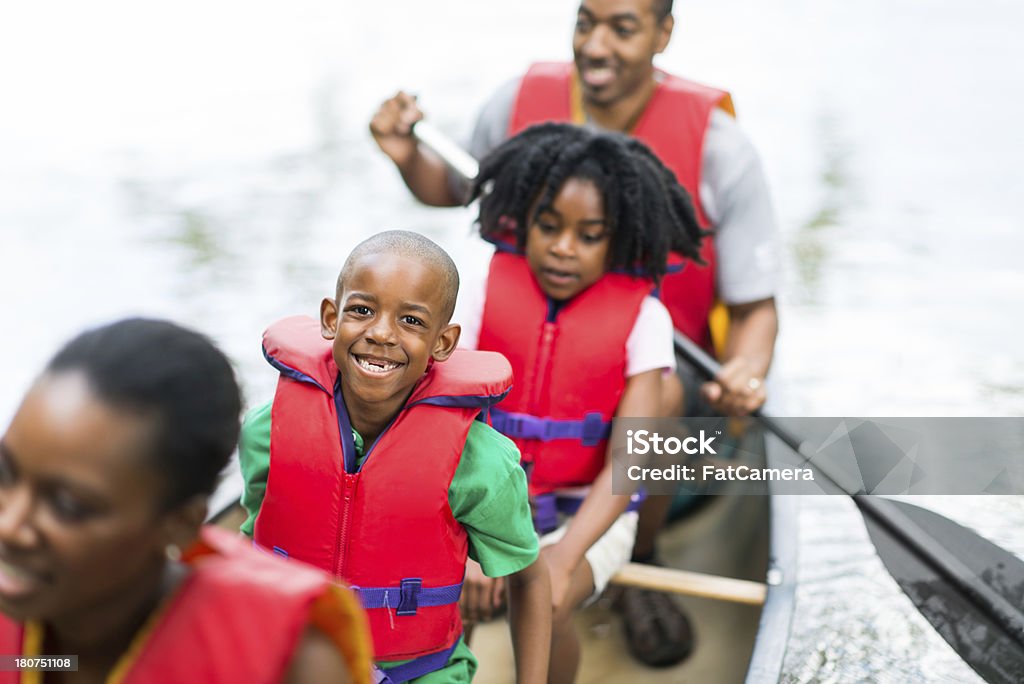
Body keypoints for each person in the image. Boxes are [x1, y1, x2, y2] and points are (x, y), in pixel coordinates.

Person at [369, 0, 780, 666]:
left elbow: (758, 304)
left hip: (669, 385)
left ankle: (641, 556)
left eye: (623, 27)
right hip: (513, 433)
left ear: (663, 33)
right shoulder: (516, 109)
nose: (597, 44)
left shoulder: (721, 148)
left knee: (662, 402)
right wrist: (406, 156)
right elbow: (459, 186)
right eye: (587, 22)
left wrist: (749, 369)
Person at [238, 230, 552, 683]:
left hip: (416, 673)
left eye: (412, 321)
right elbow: (258, 543)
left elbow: (531, 578)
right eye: (362, 311)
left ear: (442, 344)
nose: (381, 333)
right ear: (331, 317)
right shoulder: (268, 432)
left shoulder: (480, 462)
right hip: (289, 660)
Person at [455, 123, 704, 682]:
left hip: (583, 517)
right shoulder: (479, 288)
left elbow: (628, 463)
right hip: (476, 501)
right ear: (524, 221)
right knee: (440, 593)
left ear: (617, 240)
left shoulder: (645, 318)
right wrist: (474, 542)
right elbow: (445, 423)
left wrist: (564, 559)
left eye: (589, 236)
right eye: (549, 227)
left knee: (542, 599)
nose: (564, 248)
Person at [0, 318, 373, 684]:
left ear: (179, 524)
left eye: (68, 505)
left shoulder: (293, 665)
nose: (9, 527)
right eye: (5, 475)